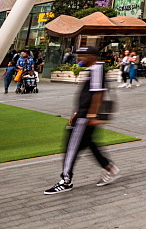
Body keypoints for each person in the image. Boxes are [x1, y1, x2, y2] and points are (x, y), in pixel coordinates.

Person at [44, 46, 119, 194]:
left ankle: (66, 180)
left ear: (92, 56)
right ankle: (109, 168)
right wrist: (77, 112)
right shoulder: (95, 70)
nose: (79, 58)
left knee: (71, 147)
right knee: (89, 144)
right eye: (78, 55)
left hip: (86, 118)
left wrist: (91, 116)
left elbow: (98, 94)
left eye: (82, 56)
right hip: (84, 115)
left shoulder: (97, 69)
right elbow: (90, 95)